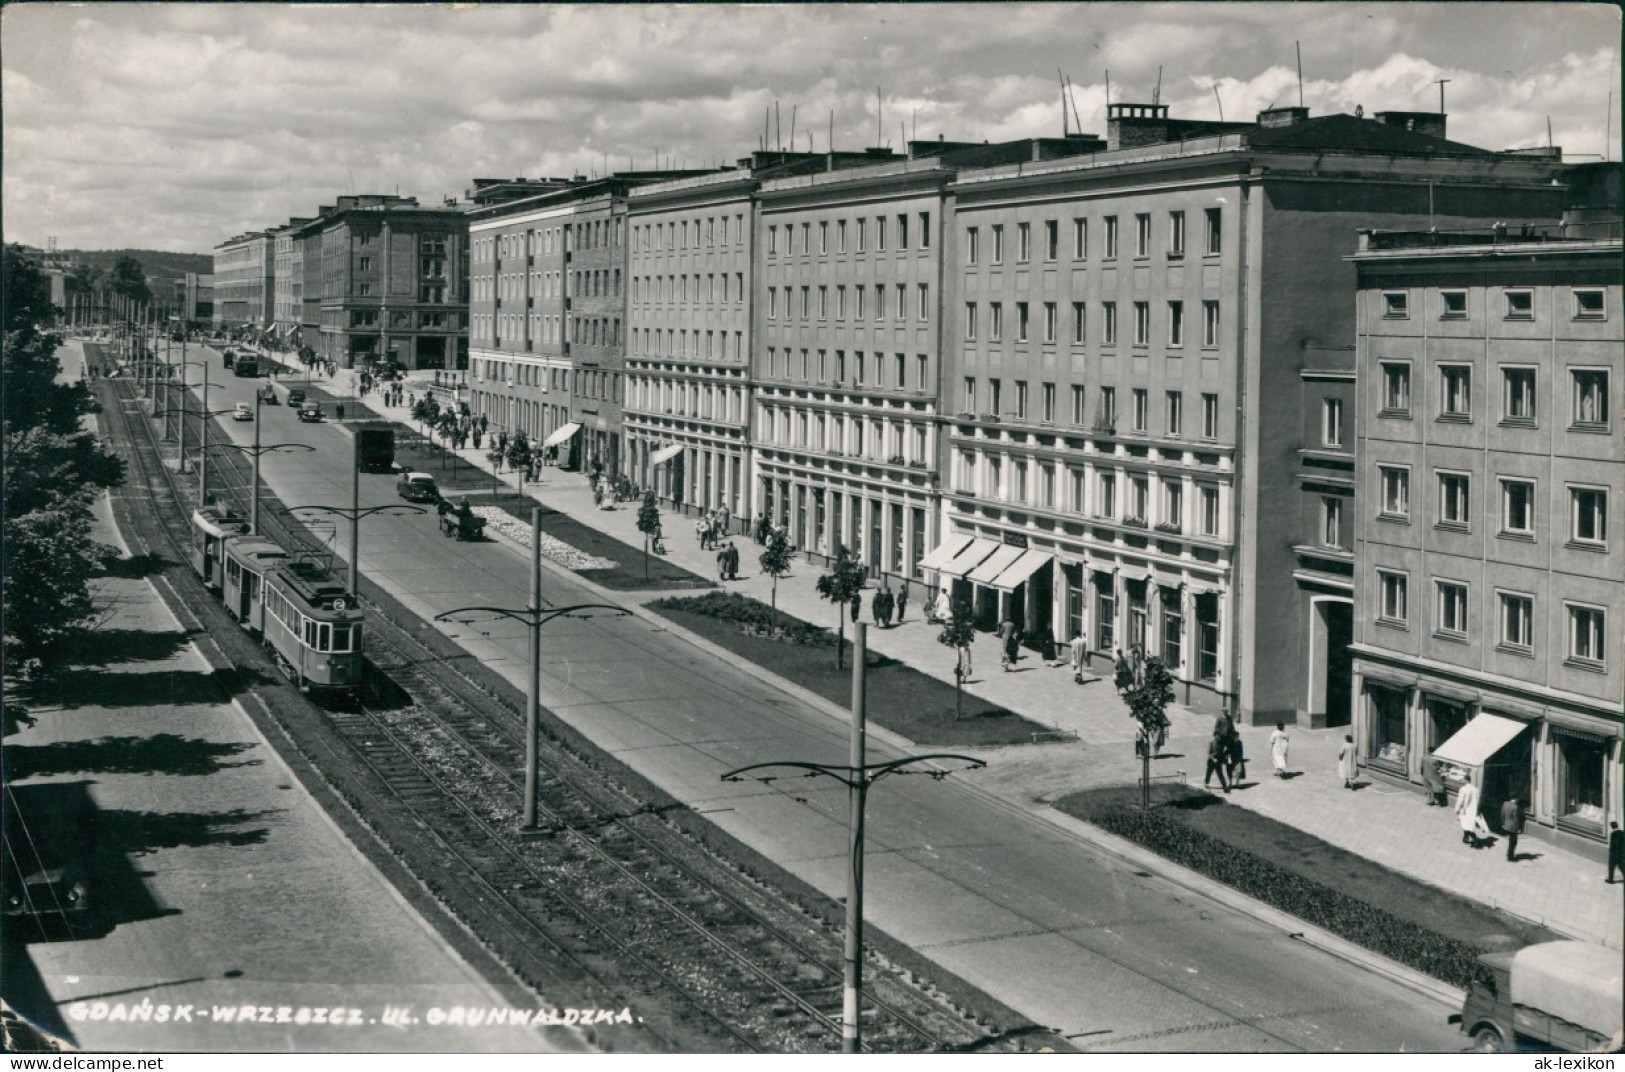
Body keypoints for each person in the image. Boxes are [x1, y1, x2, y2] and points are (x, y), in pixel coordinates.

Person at [1455, 779, 1483, 846]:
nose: (1461, 781)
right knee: (1468, 825)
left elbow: (1460, 800)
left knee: (1466, 825)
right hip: (1473, 810)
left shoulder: (1463, 789)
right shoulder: (1476, 789)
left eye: (1462, 780)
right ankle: (1465, 838)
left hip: (1464, 810)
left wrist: (1457, 809)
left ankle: (1475, 839)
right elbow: (1478, 801)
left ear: (1466, 780)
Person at [1501, 797, 1525, 862]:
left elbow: (1502, 814)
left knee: (1511, 840)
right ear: (1516, 799)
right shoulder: (1515, 807)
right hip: (1512, 827)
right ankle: (1510, 856)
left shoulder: (1505, 804)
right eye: (1517, 800)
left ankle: (1509, 854)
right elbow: (1515, 819)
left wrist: (1503, 823)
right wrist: (1518, 828)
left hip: (1506, 825)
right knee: (1513, 842)